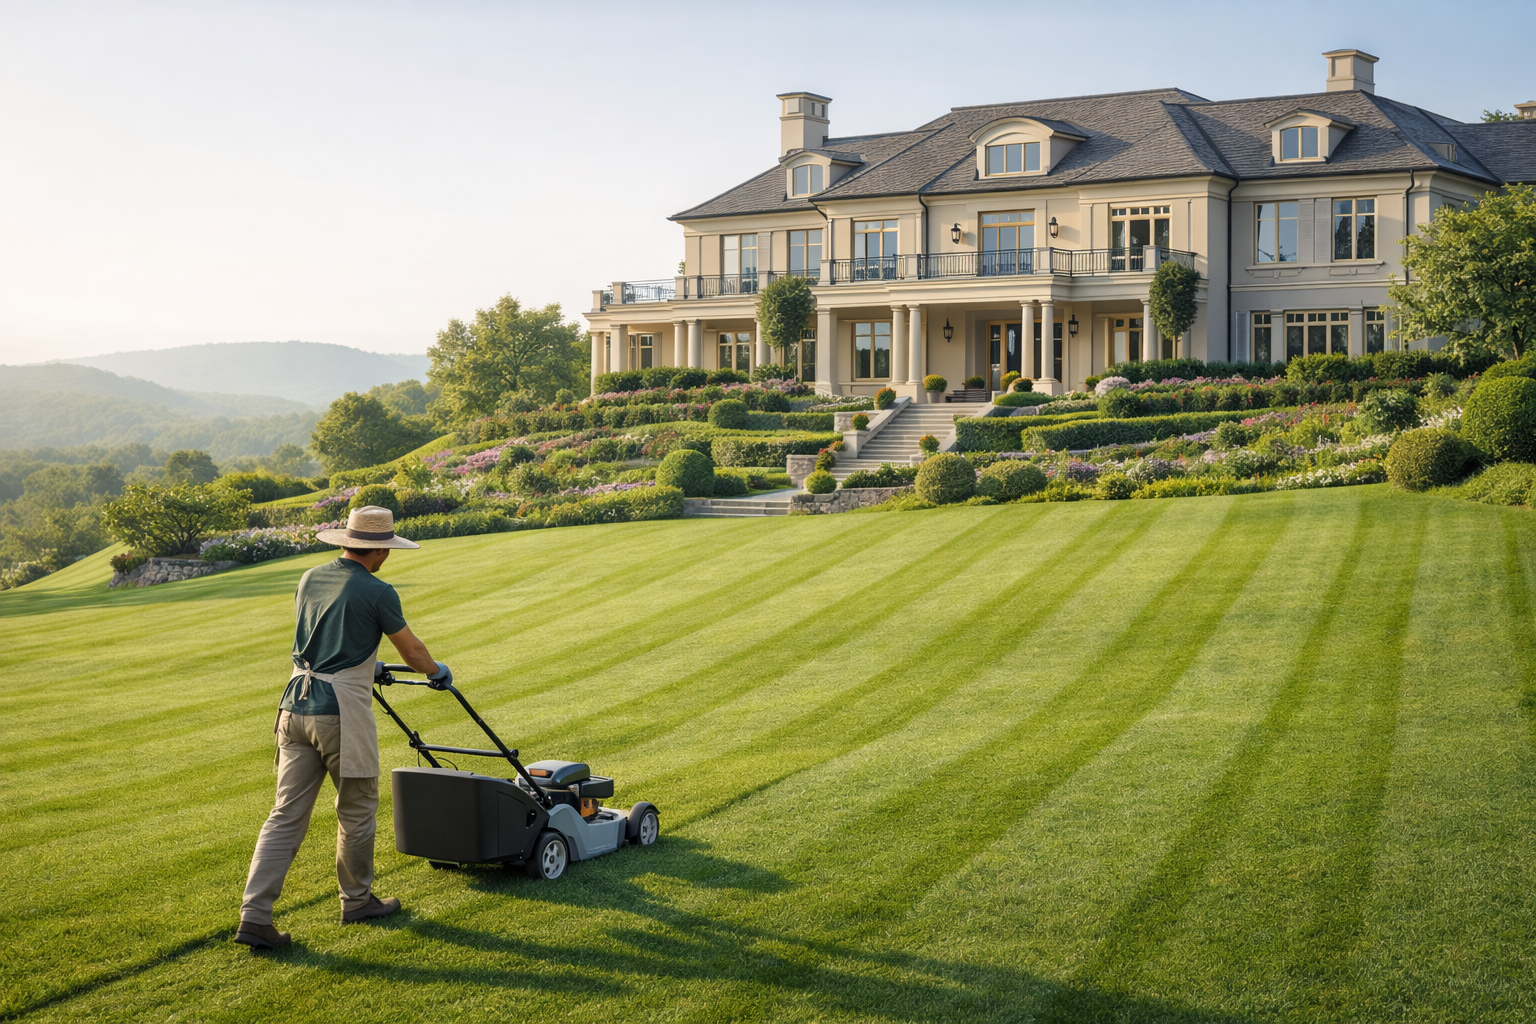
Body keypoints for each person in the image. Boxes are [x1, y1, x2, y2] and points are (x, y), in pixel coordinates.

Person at [235, 505, 451, 950]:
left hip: (294, 707)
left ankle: (254, 916)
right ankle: (357, 902)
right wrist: (435, 671)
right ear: (381, 551)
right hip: (339, 715)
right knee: (356, 809)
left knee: (284, 815)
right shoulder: (378, 590)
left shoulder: (310, 577)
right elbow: (411, 650)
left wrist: (366, 668)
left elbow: (326, 637)